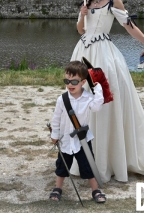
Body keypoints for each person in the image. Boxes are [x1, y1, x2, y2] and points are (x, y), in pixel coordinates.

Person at [70, 0, 144, 184]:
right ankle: (86, 155)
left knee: (105, 102)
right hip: (83, 51)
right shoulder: (86, 1)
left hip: (104, 55)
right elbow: (80, 30)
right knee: (82, 103)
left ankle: (109, 157)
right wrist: (82, 15)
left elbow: (128, 24)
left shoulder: (114, 0)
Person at [50, 61, 106, 203]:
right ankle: (57, 188)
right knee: (62, 165)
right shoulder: (62, 99)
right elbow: (56, 118)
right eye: (67, 81)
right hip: (65, 140)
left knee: (87, 165)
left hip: (83, 140)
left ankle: (95, 190)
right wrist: (54, 135)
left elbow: (97, 107)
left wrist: (98, 88)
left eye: (74, 81)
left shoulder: (88, 98)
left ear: (83, 82)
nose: (70, 84)